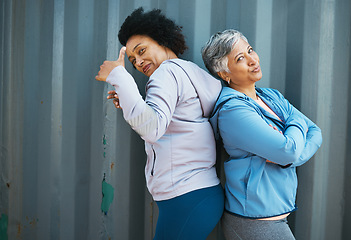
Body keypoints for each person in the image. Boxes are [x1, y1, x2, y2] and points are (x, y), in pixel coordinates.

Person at [95, 8, 224, 240]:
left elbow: (152, 128)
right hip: (197, 195)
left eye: (142, 51)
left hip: (185, 196)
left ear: (163, 40)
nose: (139, 62)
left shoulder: (164, 74)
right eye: (132, 61)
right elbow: (177, 120)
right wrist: (129, 100)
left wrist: (119, 76)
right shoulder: (190, 72)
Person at [201, 29, 322, 240]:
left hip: (275, 215)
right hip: (253, 222)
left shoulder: (271, 96)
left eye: (250, 50)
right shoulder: (233, 111)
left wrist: (288, 158)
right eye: (240, 58)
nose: (252, 60)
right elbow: (289, 148)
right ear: (224, 74)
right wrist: (294, 124)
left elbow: (315, 132)